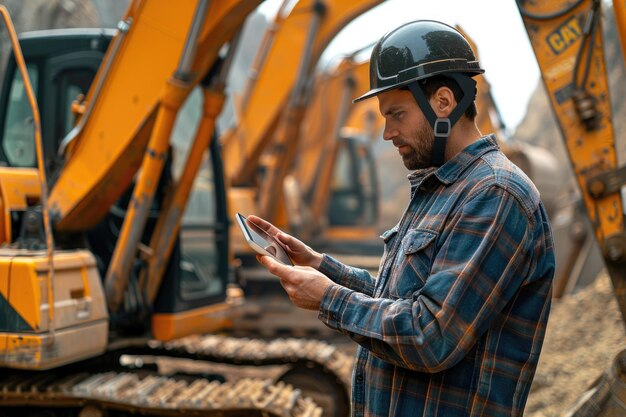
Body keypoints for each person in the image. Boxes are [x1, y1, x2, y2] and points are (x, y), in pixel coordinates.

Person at [250, 19, 555, 417]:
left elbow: (430, 335)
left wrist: (327, 296)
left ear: (444, 102)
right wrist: (322, 266)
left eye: (397, 114)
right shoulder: (441, 188)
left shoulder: (494, 195)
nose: (386, 132)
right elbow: (403, 301)